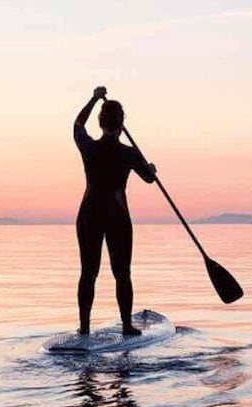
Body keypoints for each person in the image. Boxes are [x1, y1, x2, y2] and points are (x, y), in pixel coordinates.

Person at [73, 86, 156, 336]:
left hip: (89, 214)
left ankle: (84, 328)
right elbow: (149, 178)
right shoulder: (129, 153)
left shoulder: (88, 147)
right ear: (121, 125)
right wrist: (151, 167)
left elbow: (77, 125)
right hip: (117, 217)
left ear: (100, 123)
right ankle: (127, 326)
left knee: (88, 272)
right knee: (122, 274)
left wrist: (93, 98)